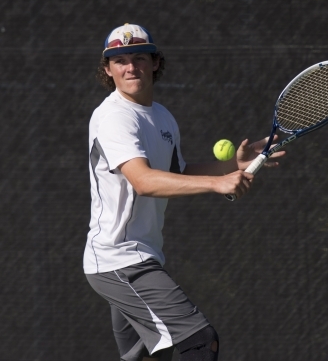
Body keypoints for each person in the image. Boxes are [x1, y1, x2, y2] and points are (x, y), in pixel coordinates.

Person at [84, 23, 284, 361]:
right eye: (120, 61)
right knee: (200, 342)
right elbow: (145, 182)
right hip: (120, 259)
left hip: (139, 257)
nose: (131, 67)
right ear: (108, 69)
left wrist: (231, 167)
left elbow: (176, 174)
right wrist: (216, 184)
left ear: (155, 63)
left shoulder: (162, 117)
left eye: (139, 58)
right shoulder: (114, 117)